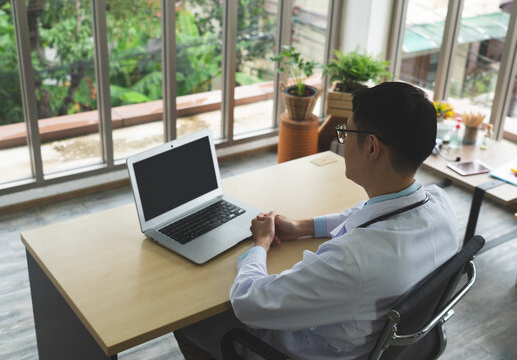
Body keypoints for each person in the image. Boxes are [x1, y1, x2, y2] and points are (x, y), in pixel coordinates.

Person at [173, 82, 459, 360]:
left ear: (372, 148)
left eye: (346, 132)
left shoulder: (353, 259)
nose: (342, 141)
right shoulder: (440, 205)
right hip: (376, 342)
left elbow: (249, 303)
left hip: (307, 350)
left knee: (193, 320)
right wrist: (303, 227)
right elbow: (367, 211)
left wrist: (260, 245)